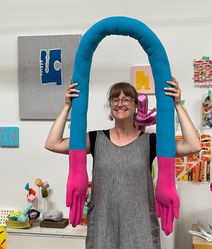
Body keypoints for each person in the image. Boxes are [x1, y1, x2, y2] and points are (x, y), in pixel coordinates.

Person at [45, 77, 201, 249]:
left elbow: (193, 145)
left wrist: (178, 104)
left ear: (136, 106)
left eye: (126, 99)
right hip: (103, 227)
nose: (120, 103)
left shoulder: (151, 141)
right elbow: (52, 143)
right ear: (110, 107)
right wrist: (67, 105)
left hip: (140, 229)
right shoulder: (95, 138)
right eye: (115, 99)